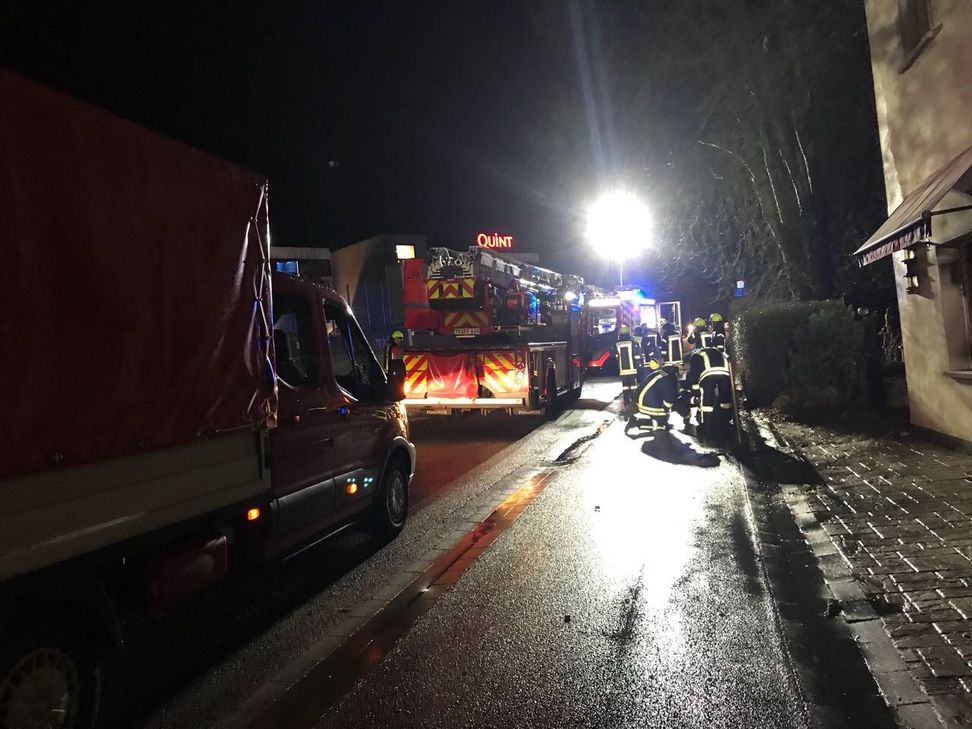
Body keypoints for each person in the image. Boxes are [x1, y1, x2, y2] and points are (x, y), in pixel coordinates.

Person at [685, 346, 734, 438]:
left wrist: (696, 393)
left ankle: (706, 426)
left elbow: (695, 376)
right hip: (724, 372)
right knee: (725, 398)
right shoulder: (712, 350)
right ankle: (727, 420)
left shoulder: (694, 357)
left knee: (707, 400)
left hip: (708, 374)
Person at [625, 359, 678, 434]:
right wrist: (667, 409)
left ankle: (661, 420)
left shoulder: (661, 373)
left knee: (664, 417)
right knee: (661, 426)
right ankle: (636, 423)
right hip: (647, 403)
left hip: (642, 400)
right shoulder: (669, 378)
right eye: (682, 370)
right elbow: (669, 397)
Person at [615, 325, 640, 404]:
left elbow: (616, 356)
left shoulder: (617, 344)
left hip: (623, 369)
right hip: (632, 369)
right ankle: (633, 399)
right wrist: (639, 364)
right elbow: (636, 355)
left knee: (625, 386)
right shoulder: (632, 343)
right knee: (633, 385)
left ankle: (626, 400)